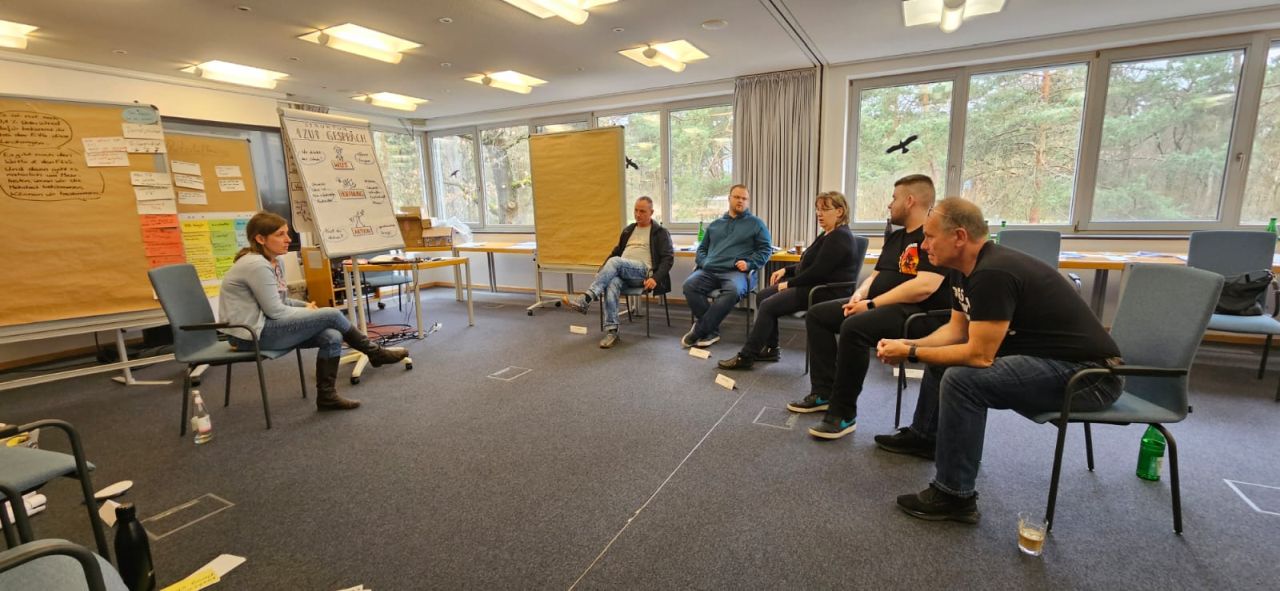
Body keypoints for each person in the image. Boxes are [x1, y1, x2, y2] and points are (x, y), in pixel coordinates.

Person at [875, 197, 1122, 524]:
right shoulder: (962, 270)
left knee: (963, 381)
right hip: (1056, 364)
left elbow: (978, 355)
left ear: (959, 237)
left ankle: (955, 496)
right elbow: (955, 333)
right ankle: (926, 437)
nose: (922, 245)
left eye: (930, 236)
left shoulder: (993, 273)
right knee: (944, 362)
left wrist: (909, 353)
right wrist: (909, 344)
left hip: (1092, 378)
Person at [786, 175, 949, 441]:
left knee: (854, 327)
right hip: (877, 304)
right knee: (818, 315)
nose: (889, 204)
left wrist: (871, 304)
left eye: (894, 198)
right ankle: (824, 393)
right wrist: (859, 295)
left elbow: (925, 287)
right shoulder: (896, 238)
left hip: (915, 312)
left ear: (910, 201)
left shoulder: (930, 237)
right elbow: (876, 276)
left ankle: (843, 413)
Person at [218, 212, 409, 411]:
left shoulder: (275, 262)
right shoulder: (256, 265)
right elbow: (276, 312)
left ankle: (327, 397)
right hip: (248, 336)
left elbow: (282, 301)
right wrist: (316, 315)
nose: (288, 239)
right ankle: (375, 353)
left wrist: (306, 307)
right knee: (332, 314)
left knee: (332, 336)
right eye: (280, 234)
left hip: (265, 326)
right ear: (260, 239)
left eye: (287, 233)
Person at [717, 191, 861, 370]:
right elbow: (808, 264)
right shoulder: (828, 233)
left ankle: (746, 356)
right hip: (813, 285)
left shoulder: (839, 237)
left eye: (824, 209)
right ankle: (771, 348)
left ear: (839, 211)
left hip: (825, 291)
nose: (819, 214)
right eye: (817, 209)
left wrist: (789, 283)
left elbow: (817, 272)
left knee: (768, 305)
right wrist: (786, 270)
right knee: (762, 296)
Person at [567, 196, 675, 348]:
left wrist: (655, 278)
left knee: (616, 262)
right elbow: (616, 252)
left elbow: (668, 259)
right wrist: (602, 272)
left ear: (651, 212)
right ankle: (612, 332)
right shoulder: (629, 230)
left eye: (642, 211)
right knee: (611, 282)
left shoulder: (660, 232)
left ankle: (587, 298)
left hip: (643, 273)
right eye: (635, 210)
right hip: (622, 272)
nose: (637, 214)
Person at [682, 184, 773, 348]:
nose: (741, 201)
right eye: (737, 197)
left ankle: (699, 330)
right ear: (729, 198)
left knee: (733, 290)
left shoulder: (756, 224)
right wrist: (704, 262)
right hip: (709, 270)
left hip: (736, 272)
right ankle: (711, 331)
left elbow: (766, 250)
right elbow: (701, 249)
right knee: (689, 285)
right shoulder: (715, 224)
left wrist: (750, 264)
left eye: (744, 198)